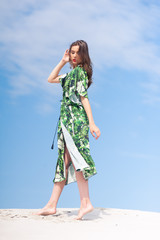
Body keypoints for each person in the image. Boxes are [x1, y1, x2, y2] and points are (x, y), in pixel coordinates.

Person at [33, 40, 101, 220]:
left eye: (77, 53)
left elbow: (84, 98)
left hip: (76, 123)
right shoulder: (69, 75)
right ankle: (52, 204)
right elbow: (50, 78)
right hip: (66, 122)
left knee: (77, 160)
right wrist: (62, 61)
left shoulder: (80, 73)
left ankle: (85, 203)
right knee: (64, 162)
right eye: (71, 52)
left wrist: (92, 123)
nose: (73, 56)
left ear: (83, 55)